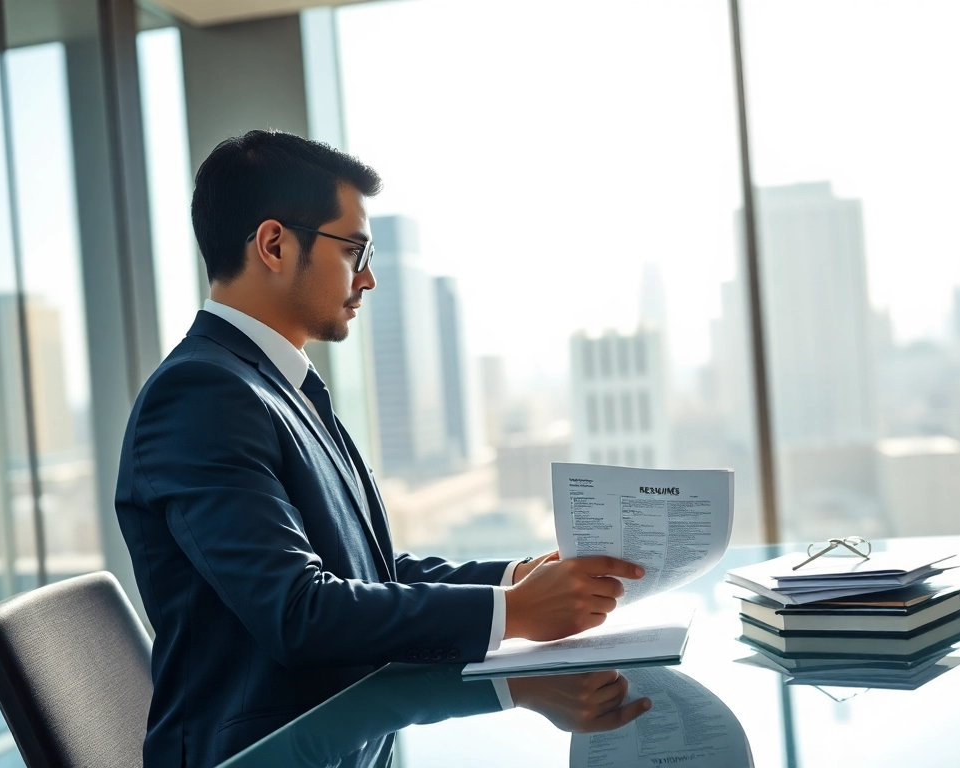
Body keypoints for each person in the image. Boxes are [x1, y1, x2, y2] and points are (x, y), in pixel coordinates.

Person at [114, 129, 643, 768]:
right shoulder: (201, 395)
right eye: (354, 250)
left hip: (345, 738)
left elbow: (370, 578)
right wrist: (514, 613)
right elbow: (298, 611)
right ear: (274, 245)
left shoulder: (280, 388)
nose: (367, 278)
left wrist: (515, 580)